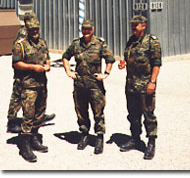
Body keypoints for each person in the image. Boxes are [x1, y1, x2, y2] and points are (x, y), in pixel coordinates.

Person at [62, 19, 115, 154]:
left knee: (98, 112)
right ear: (82, 30)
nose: (86, 31)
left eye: (89, 29)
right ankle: (84, 135)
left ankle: (99, 138)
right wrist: (68, 71)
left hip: (95, 86)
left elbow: (110, 59)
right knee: (81, 112)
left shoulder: (99, 44)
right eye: (84, 29)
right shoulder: (76, 44)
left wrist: (106, 73)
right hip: (79, 85)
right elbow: (65, 57)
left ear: (93, 29)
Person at [119, 15, 162, 160]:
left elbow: (157, 64)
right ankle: (135, 139)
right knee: (133, 115)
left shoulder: (152, 42)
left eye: (135, 24)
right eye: (132, 24)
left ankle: (151, 143)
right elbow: (127, 57)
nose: (133, 27)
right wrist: (123, 63)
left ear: (143, 26)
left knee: (148, 115)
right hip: (131, 85)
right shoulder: (131, 41)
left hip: (145, 85)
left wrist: (152, 82)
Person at [7, 11, 55, 133]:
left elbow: (44, 54)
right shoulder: (23, 35)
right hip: (23, 75)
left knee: (36, 100)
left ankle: (37, 118)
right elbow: (18, 54)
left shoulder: (40, 40)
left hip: (38, 78)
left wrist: (46, 64)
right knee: (18, 97)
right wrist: (32, 67)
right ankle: (12, 121)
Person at [12, 15, 51, 163]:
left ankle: (35, 138)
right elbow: (16, 63)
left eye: (37, 29)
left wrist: (47, 65)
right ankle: (25, 144)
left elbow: (47, 57)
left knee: (39, 113)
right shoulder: (20, 45)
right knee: (28, 114)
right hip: (28, 85)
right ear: (27, 30)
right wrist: (33, 67)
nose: (35, 32)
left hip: (42, 84)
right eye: (32, 30)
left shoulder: (42, 42)